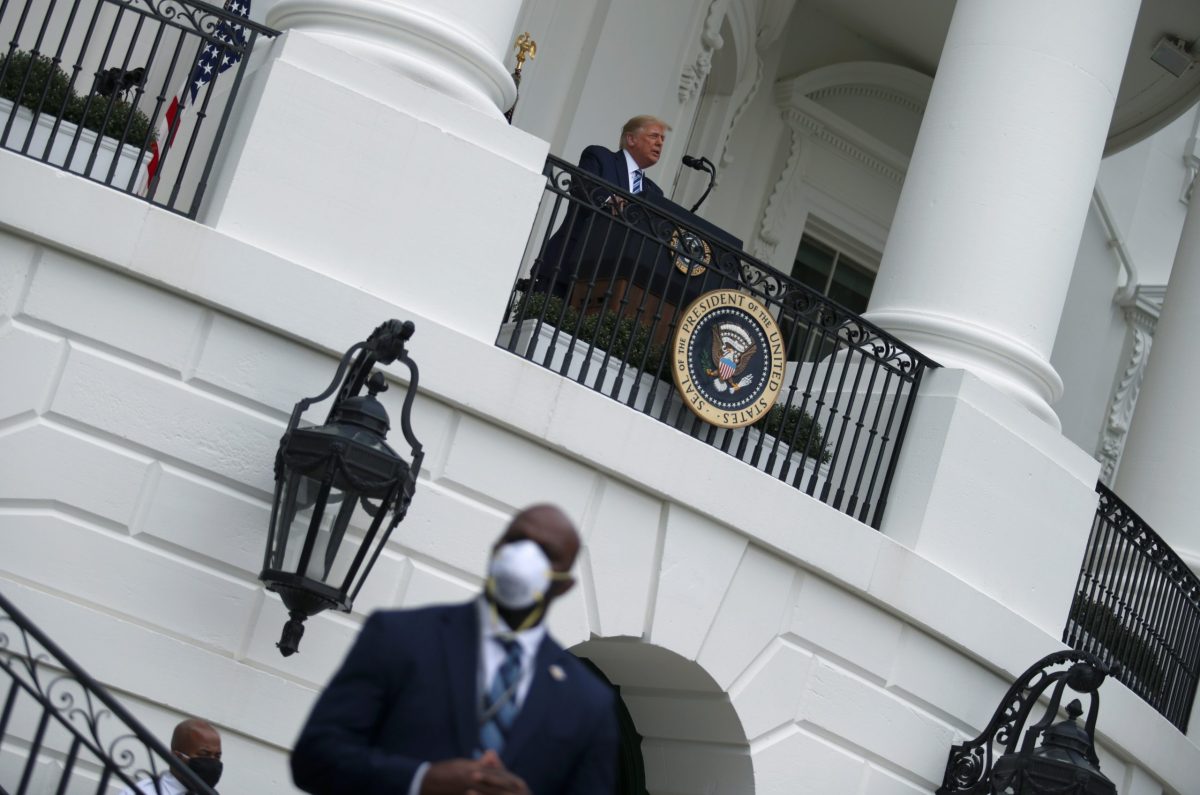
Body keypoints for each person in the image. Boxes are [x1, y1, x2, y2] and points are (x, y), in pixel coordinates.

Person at [291, 504, 619, 795]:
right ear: (496, 551)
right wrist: (420, 780)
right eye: (517, 540)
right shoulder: (398, 636)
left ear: (563, 586)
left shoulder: (588, 702)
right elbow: (315, 757)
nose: (524, 557)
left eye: (546, 552)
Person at [537, 115, 671, 298]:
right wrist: (610, 202)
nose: (660, 143)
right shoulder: (600, 157)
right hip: (567, 264)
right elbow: (582, 187)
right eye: (654, 136)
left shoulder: (654, 192)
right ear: (631, 138)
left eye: (662, 139)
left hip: (608, 284)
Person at [119, 718, 223, 795]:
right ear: (177, 757)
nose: (212, 761)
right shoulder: (142, 792)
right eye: (204, 754)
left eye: (217, 756)